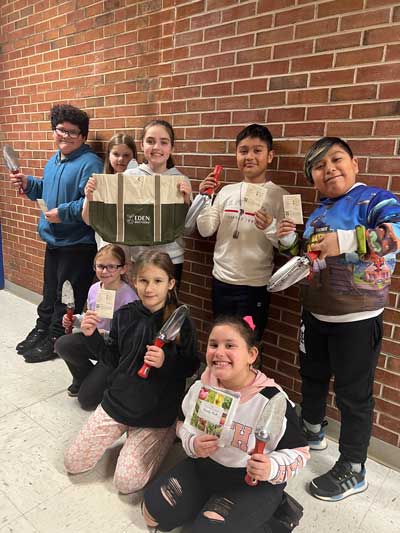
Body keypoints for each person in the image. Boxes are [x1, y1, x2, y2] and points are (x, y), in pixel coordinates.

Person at [277, 136, 400, 502]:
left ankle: (354, 467)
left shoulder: (377, 199)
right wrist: (287, 244)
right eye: (319, 166)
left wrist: (345, 241)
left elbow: (396, 236)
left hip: (357, 319)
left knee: (353, 395)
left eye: (336, 159)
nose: (329, 169)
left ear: (355, 163)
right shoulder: (318, 211)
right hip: (315, 313)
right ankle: (311, 429)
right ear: (313, 178)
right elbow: (309, 258)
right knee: (312, 376)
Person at [142, 315, 309, 533]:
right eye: (214, 345)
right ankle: (207, 508)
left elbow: (301, 453)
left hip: (251, 483)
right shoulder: (202, 386)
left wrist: (270, 467)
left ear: (251, 355)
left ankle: (273, 518)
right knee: (153, 512)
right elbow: (182, 424)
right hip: (206, 469)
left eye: (230, 345)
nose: (219, 352)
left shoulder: (272, 400)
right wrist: (193, 443)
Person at [64, 251, 199, 494]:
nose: (149, 288)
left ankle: (166, 433)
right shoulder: (125, 314)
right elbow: (112, 358)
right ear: (135, 281)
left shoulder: (181, 322)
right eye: (144, 281)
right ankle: (125, 429)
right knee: (73, 463)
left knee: (126, 483)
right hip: (119, 402)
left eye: (157, 281)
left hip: (155, 413)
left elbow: (191, 367)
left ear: (170, 284)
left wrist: (166, 361)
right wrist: (91, 336)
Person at [11, 104, 103, 363]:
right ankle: (42, 329)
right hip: (53, 241)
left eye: (73, 132)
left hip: (77, 244)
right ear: (54, 131)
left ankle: (55, 339)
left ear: (83, 136)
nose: (65, 136)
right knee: (50, 291)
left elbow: (90, 203)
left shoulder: (91, 163)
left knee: (68, 297)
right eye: (61, 130)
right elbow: (46, 189)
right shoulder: (54, 160)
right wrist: (30, 184)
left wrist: (63, 212)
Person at [196, 124, 287, 341]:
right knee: (221, 341)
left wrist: (270, 227)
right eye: (243, 150)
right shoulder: (226, 191)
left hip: (254, 286)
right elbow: (206, 230)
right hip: (221, 281)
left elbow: (286, 246)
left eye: (257, 150)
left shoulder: (279, 196)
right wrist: (204, 198)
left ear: (270, 156)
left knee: (248, 344)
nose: (249, 156)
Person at [85, 119, 191, 287]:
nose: (156, 147)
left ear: (172, 147)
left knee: (165, 311)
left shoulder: (181, 181)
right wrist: (91, 197)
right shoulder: (128, 177)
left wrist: (185, 205)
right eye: (150, 141)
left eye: (163, 142)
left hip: (171, 259)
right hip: (137, 258)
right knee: (136, 310)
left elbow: (186, 229)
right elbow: (100, 220)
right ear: (142, 145)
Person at [54, 244, 138, 409]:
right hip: (95, 340)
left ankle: (109, 382)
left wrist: (103, 333)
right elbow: (90, 316)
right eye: (100, 266)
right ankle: (83, 378)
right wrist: (76, 320)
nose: (105, 271)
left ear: (123, 269)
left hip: (115, 351)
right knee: (62, 344)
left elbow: (129, 338)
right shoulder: (94, 289)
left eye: (111, 266)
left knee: (86, 401)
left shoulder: (129, 298)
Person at [82, 132, 138, 249]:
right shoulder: (99, 181)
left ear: (134, 157)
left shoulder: (142, 182)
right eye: (116, 154)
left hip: (134, 251)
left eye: (126, 155)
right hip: (107, 249)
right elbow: (88, 220)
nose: (121, 159)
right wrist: (88, 197)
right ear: (109, 155)